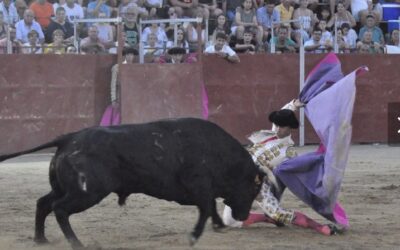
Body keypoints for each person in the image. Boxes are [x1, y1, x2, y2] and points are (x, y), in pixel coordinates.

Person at [222, 99, 336, 236]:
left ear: (290, 128)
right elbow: (283, 113)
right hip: (238, 178)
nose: (277, 128)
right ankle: (265, 218)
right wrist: (294, 105)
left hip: (257, 184)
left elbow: (294, 175)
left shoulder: (289, 154)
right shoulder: (274, 133)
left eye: (281, 126)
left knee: (278, 214)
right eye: (276, 125)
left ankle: (319, 227)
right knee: (229, 221)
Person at [100, 47, 138, 126]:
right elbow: (113, 84)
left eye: (132, 55)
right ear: (124, 56)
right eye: (128, 55)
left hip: (131, 97)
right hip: (119, 96)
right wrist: (113, 99)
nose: (130, 57)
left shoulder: (136, 68)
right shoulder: (117, 67)